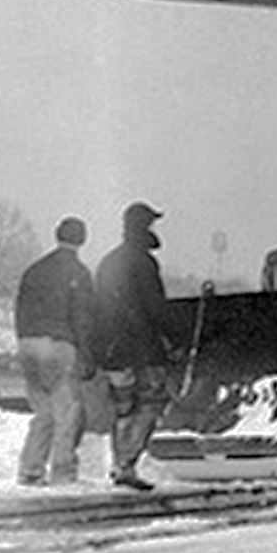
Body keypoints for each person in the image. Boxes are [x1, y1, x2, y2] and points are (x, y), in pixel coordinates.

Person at [92, 202, 174, 491]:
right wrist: (171, 335)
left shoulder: (108, 261)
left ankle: (119, 464)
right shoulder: (143, 262)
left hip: (113, 350)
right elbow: (154, 306)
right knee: (150, 404)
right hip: (142, 348)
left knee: (123, 407)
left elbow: (98, 308)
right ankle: (127, 464)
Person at [13, 217, 96, 486]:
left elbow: (19, 309)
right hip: (59, 344)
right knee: (67, 412)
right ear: (82, 239)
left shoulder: (34, 270)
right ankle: (63, 473)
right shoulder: (78, 272)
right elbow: (82, 318)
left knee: (43, 412)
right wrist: (87, 353)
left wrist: (24, 341)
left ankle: (31, 470)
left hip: (28, 344)